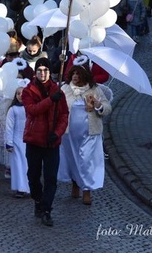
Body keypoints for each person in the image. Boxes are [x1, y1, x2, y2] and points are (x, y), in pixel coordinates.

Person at [21, 58, 69, 227]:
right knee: (33, 177)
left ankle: (47, 209)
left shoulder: (58, 90)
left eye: (46, 70)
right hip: (34, 140)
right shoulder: (28, 91)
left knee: (51, 178)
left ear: (50, 72)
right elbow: (32, 110)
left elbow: (64, 115)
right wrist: (50, 100)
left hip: (51, 143)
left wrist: (57, 133)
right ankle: (38, 200)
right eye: (40, 70)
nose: (43, 73)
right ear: (35, 72)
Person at [58, 60, 112, 206]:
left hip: (89, 133)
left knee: (86, 161)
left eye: (78, 73)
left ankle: (87, 190)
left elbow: (107, 108)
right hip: (69, 134)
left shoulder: (94, 90)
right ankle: (75, 183)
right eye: (73, 73)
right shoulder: (65, 89)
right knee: (72, 160)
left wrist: (98, 105)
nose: (75, 76)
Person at [4, 87, 29, 198]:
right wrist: (9, 142)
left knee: (28, 164)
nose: (20, 95)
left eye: (22, 93)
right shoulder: (13, 109)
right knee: (18, 165)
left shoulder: (31, 108)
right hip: (17, 140)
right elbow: (9, 127)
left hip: (29, 139)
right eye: (18, 93)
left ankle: (29, 187)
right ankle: (20, 188)